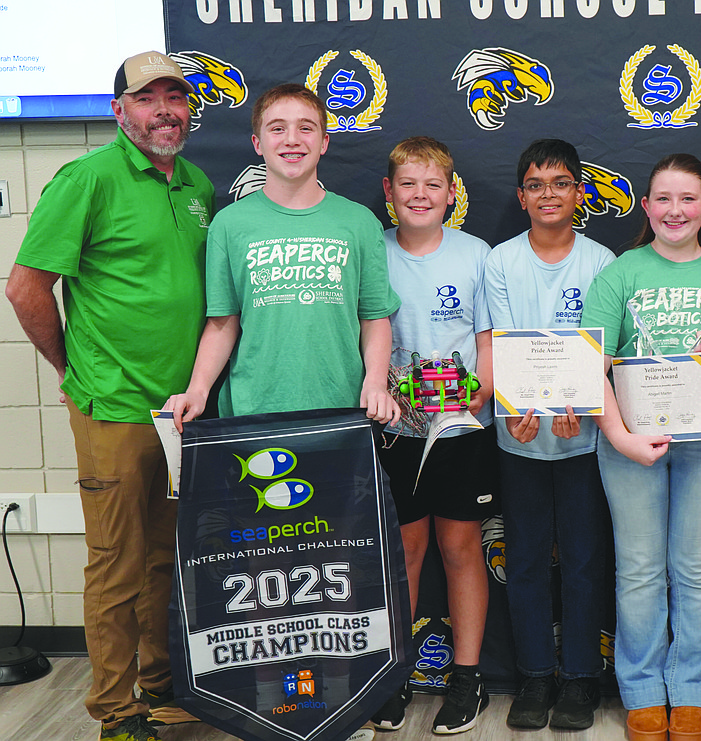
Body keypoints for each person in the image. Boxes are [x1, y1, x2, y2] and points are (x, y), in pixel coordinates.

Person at [5, 52, 214, 741]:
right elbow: (26, 286)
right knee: (118, 565)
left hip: (181, 412)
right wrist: (74, 372)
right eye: (147, 98)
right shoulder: (87, 177)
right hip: (113, 409)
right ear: (119, 110)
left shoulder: (196, 183)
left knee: (164, 558)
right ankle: (115, 711)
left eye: (176, 98)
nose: (165, 110)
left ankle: (158, 687)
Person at [582, 153, 701, 741]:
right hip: (631, 437)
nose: (675, 210)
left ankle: (691, 693)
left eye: (688, 199)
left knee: (696, 568)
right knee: (637, 569)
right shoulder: (621, 273)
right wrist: (619, 436)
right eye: (663, 198)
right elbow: (592, 367)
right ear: (646, 205)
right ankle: (640, 690)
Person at [165, 83, 399, 426]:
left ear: (324, 142)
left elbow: (374, 316)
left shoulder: (359, 222)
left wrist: (376, 382)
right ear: (258, 144)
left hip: (342, 410)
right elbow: (222, 322)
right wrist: (198, 389)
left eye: (306, 128)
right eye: (278, 128)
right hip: (253, 411)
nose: (292, 139)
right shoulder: (229, 224)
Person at [483, 139, 616, 731]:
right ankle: (536, 677)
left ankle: (582, 678)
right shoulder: (501, 260)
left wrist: (578, 401)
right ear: (521, 196)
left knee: (586, 560)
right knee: (529, 559)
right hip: (520, 434)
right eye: (535, 185)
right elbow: (503, 340)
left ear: (579, 192)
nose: (548, 194)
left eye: (560, 183)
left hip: (585, 434)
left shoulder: (602, 262)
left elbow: (604, 349)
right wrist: (519, 403)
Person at [370, 136, 497, 735]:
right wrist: (381, 393)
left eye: (433, 185)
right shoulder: (372, 250)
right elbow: (361, 336)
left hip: (460, 426)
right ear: (389, 193)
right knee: (405, 551)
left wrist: (482, 390)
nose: (420, 196)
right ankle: (393, 677)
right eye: (408, 185)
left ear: (451, 194)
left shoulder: (478, 255)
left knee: (459, 547)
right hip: (394, 427)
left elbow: (491, 338)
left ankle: (466, 678)